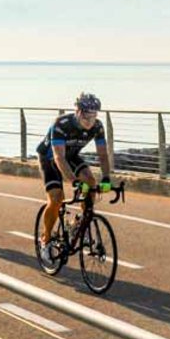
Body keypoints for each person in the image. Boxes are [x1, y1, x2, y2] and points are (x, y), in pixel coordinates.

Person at [36, 92, 113, 253]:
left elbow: (103, 155)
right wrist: (74, 181)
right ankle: (45, 240)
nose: (90, 121)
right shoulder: (61, 124)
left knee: (91, 182)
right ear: (77, 112)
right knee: (57, 199)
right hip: (49, 158)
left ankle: (79, 225)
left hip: (70, 156)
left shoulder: (98, 127)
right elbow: (58, 157)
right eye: (87, 117)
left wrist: (106, 178)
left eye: (94, 116)